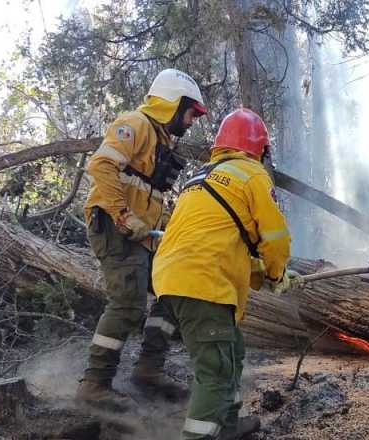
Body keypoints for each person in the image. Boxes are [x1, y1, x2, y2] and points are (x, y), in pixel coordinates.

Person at [151, 108, 300, 439]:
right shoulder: (252, 174)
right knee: (215, 371)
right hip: (203, 283)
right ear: (259, 148)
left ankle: (228, 427)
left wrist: (266, 274)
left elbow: (222, 246)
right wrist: (278, 274)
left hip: (174, 277)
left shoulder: (200, 178)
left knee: (231, 351)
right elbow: (276, 238)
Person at [77, 68, 207, 409]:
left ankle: (149, 371)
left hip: (142, 236)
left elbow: (146, 195)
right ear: (172, 104)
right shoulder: (134, 123)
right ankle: (94, 384)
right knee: (128, 305)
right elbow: (101, 166)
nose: (192, 121)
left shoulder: (159, 139)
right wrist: (122, 216)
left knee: (174, 289)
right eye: (191, 112)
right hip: (114, 228)